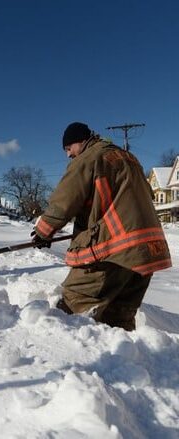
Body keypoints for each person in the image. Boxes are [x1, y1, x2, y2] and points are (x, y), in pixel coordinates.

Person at [32, 122, 171, 331]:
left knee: (69, 311)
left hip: (114, 251)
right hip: (146, 254)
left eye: (68, 149)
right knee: (118, 321)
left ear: (80, 141)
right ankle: (122, 362)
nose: (69, 155)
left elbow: (64, 201)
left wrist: (43, 231)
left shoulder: (89, 159)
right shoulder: (129, 158)